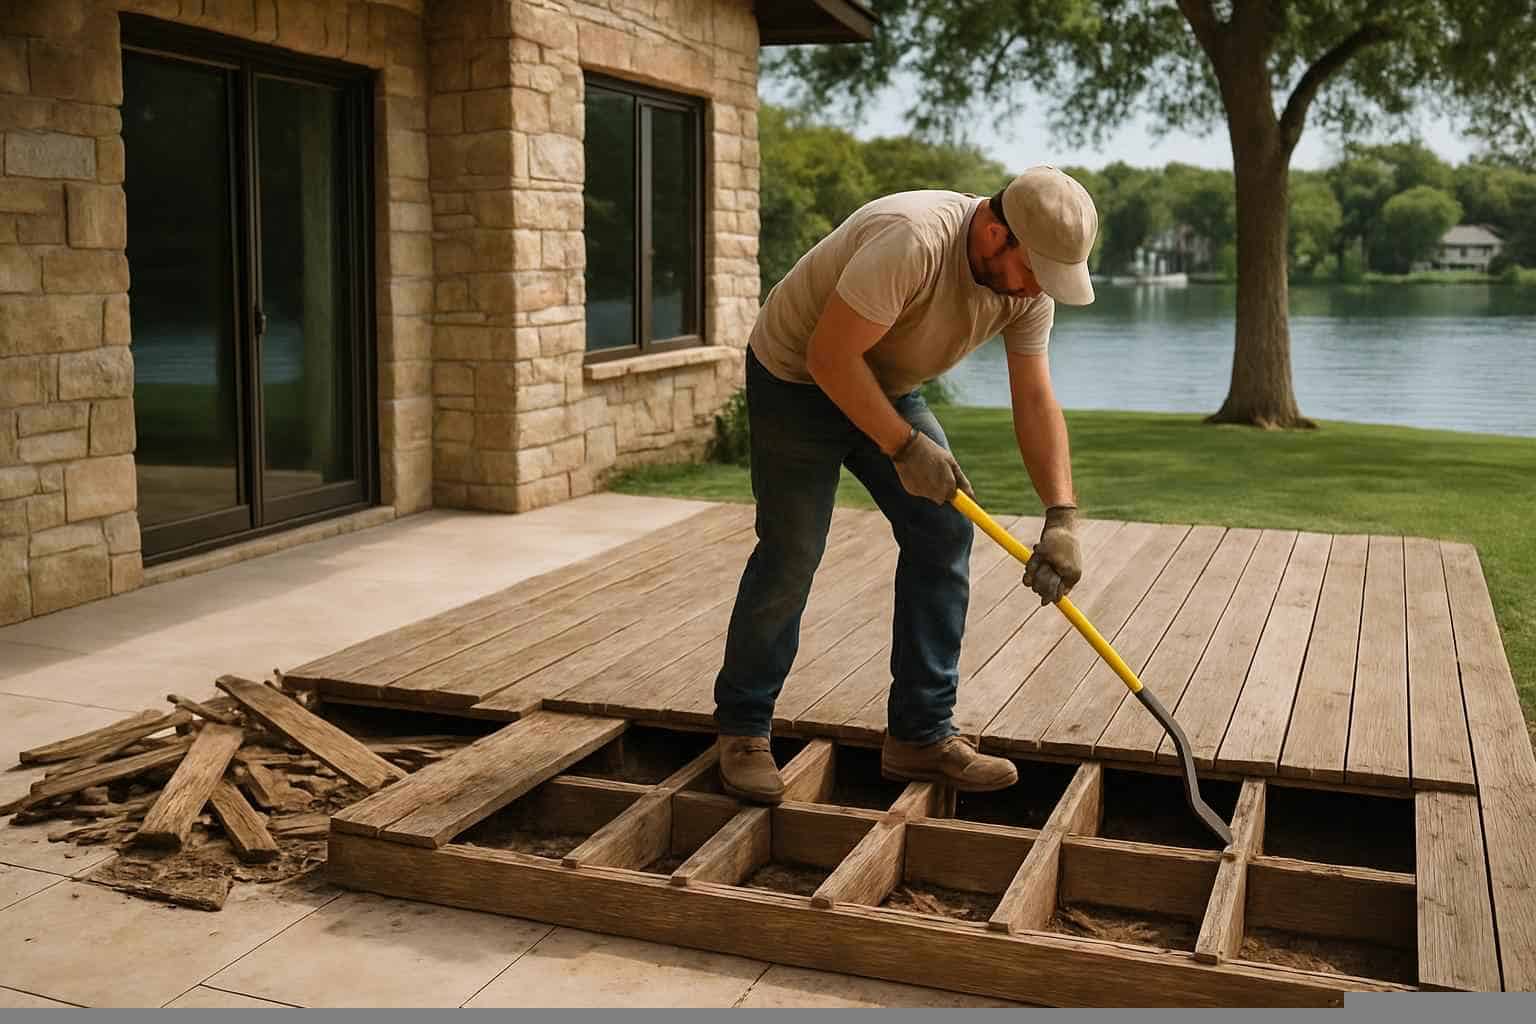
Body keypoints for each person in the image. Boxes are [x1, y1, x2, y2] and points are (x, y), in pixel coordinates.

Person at [712, 165, 1097, 803]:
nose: (1034, 290)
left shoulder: (1030, 288)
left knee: (944, 528)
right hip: (796, 379)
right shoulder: (912, 240)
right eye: (1033, 271)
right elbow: (828, 358)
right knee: (794, 548)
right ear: (996, 233)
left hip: (884, 382)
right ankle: (744, 729)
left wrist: (1062, 516)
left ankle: (920, 736)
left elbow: (1034, 397)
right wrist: (904, 446)